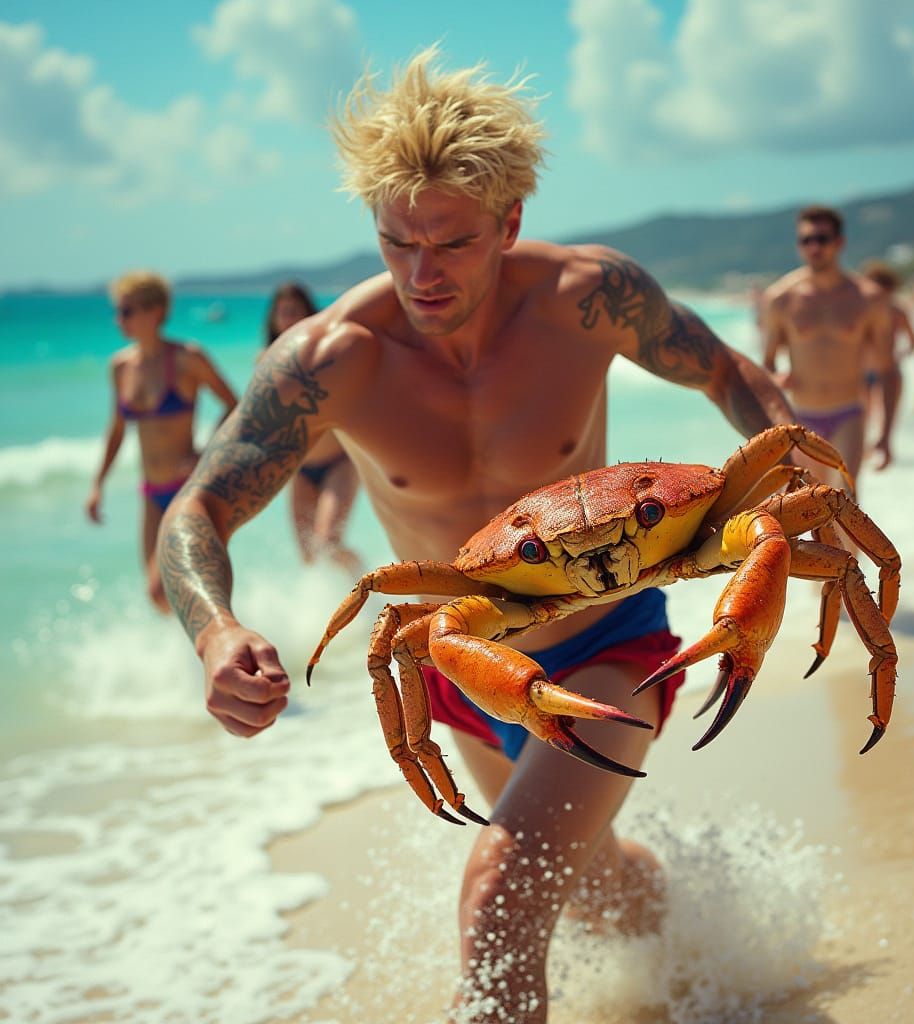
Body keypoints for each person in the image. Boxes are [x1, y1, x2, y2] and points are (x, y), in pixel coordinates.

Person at [157, 50, 805, 1023]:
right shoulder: (329, 362)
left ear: (510, 219)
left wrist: (803, 462)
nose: (421, 273)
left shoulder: (590, 296)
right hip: (459, 665)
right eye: (394, 242)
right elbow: (197, 507)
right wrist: (213, 629)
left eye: (452, 243)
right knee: (588, 877)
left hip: (606, 644)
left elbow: (725, 371)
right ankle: (712, 976)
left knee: (500, 902)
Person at [86, 271, 237, 612]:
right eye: (118, 311)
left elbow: (233, 404)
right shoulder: (121, 366)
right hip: (152, 494)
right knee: (160, 597)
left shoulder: (187, 358)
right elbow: (117, 429)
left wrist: (204, 452)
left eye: (127, 311)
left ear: (155, 312)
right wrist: (98, 484)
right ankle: (191, 660)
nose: (119, 319)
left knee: (170, 587)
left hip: (188, 489)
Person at [761, 206, 889, 491]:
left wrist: (886, 433)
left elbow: (888, 370)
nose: (813, 247)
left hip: (849, 413)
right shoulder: (780, 299)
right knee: (813, 505)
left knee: (847, 503)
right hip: (802, 419)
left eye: (821, 239)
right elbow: (767, 365)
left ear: (839, 242)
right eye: (806, 240)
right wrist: (777, 379)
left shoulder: (868, 298)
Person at [264, 282, 362, 575]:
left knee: (327, 541)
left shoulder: (326, 358)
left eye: (295, 311)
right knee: (308, 555)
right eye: (283, 313)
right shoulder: (266, 364)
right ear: (274, 319)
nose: (288, 319)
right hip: (300, 470)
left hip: (338, 464)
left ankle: (368, 580)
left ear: (310, 314)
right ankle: (327, 612)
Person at [860, 261, 914, 470]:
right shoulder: (861, 311)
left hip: (888, 371)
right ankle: (864, 455)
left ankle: (884, 450)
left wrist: (900, 355)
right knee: (863, 419)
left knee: (886, 422)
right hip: (862, 372)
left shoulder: (897, 311)